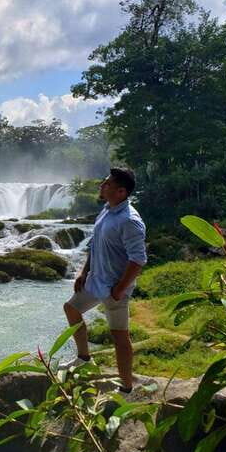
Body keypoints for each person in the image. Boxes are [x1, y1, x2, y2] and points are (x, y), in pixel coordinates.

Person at [61, 167, 147, 393]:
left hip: (114, 288)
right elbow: (95, 244)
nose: (101, 185)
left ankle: (127, 388)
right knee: (71, 308)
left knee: (119, 336)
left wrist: (119, 289)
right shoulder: (107, 210)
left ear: (120, 191)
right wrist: (83, 271)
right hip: (95, 281)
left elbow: (138, 259)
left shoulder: (130, 220)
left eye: (106, 184)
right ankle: (84, 358)